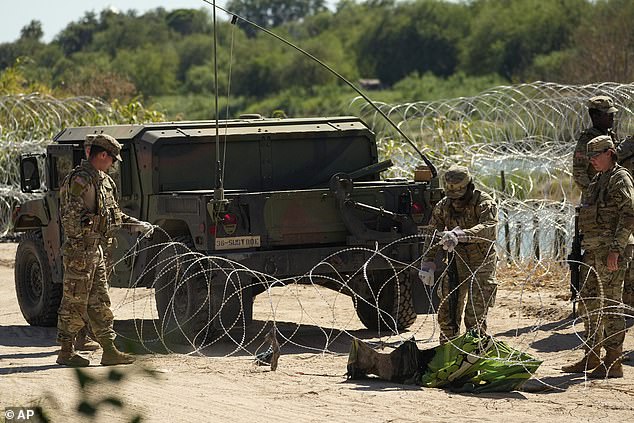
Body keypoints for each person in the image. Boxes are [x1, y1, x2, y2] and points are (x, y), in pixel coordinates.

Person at [56, 133, 154, 367]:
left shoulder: (105, 181)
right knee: (74, 300)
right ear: (102, 155)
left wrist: (136, 225)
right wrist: (85, 241)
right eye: (112, 159)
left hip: (97, 251)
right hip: (81, 252)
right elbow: (70, 219)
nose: (113, 164)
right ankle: (66, 351)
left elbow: (113, 215)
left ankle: (109, 350)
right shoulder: (81, 180)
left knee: (100, 300)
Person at [562, 135, 634, 378]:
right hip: (593, 252)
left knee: (611, 305)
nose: (592, 160)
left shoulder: (619, 178)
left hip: (610, 252)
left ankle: (614, 361)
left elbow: (629, 213)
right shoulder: (597, 182)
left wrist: (616, 248)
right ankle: (592, 354)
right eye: (590, 156)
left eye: (596, 155)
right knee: (588, 303)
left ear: (610, 153)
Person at [418, 165, 498, 344]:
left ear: (469, 187)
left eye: (459, 197)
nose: (455, 202)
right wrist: (427, 263)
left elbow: (489, 229)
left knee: (474, 317)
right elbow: (432, 233)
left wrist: (460, 235)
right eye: (451, 197)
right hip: (457, 262)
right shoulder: (444, 205)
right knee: (447, 314)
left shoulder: (484, 203)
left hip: (482, 263)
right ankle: (448, 354)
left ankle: (473, 356)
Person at [572, 95, 618, 191]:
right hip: (597, 197)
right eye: (607, 114)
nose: (612, 118)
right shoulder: (588, 140)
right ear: (595, 117)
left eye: (612, 114)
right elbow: (579, 172)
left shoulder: (610, 136)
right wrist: (592, 194)